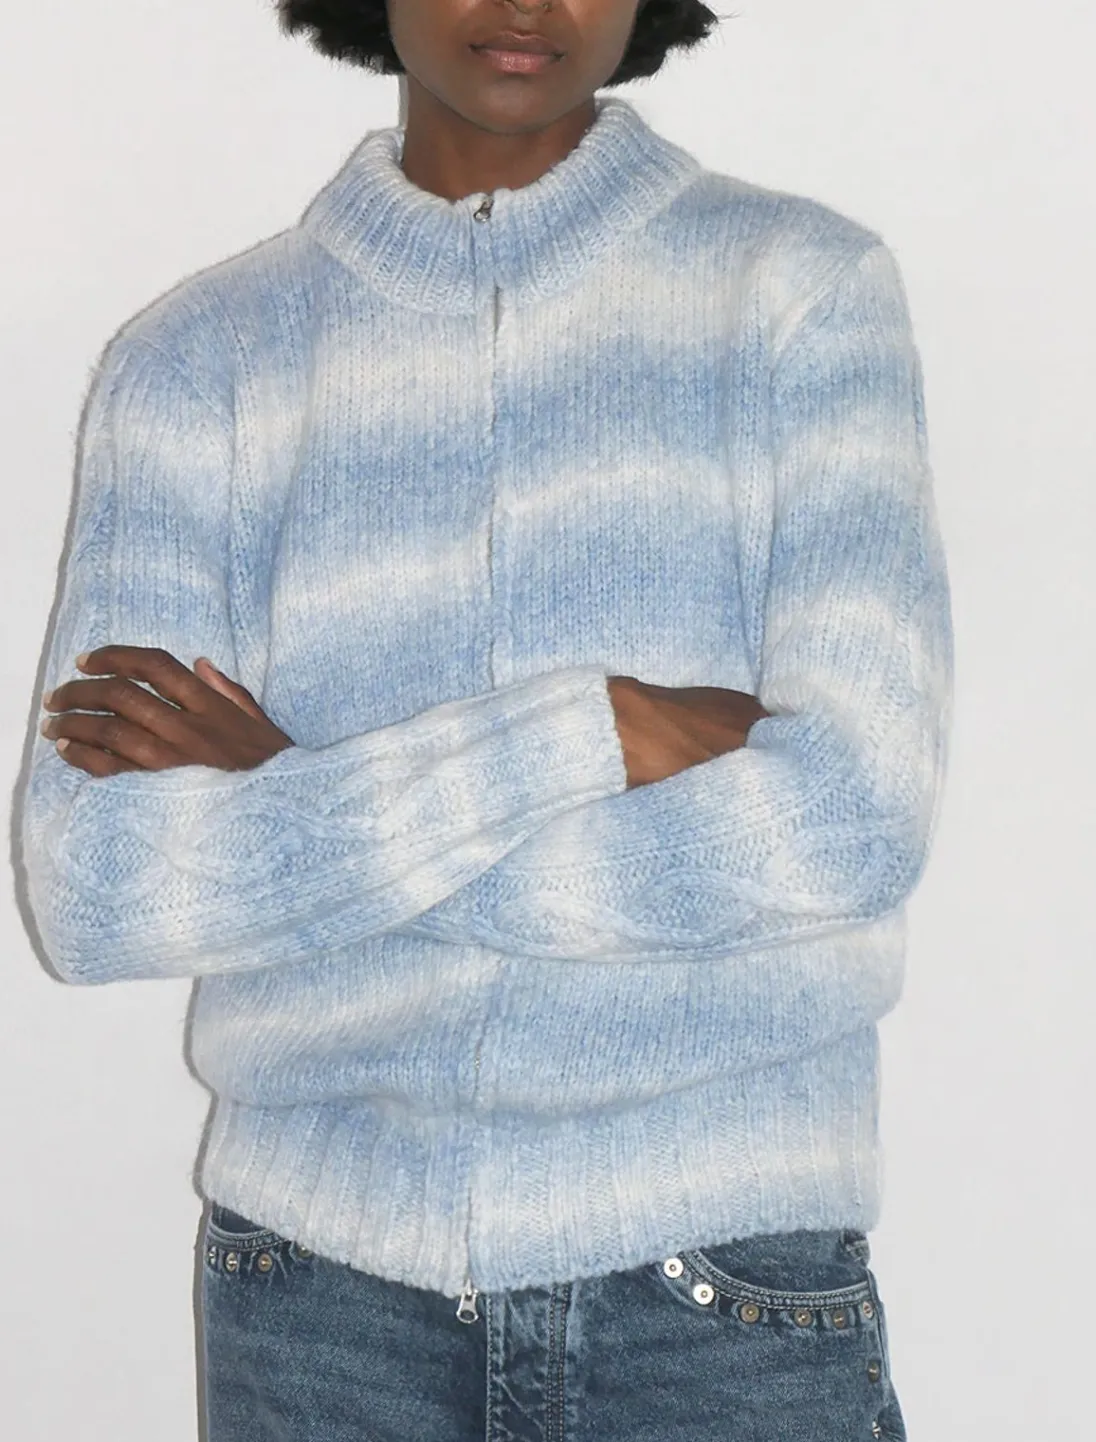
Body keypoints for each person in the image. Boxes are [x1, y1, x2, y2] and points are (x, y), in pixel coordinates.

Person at [18, 0, 952, 1437]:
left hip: (723, 1292)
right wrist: (594, 729)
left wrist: (300, 790)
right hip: (317, 1301)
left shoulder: (800, 293)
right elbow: (101, 891)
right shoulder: (199, 362)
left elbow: (852, 817)